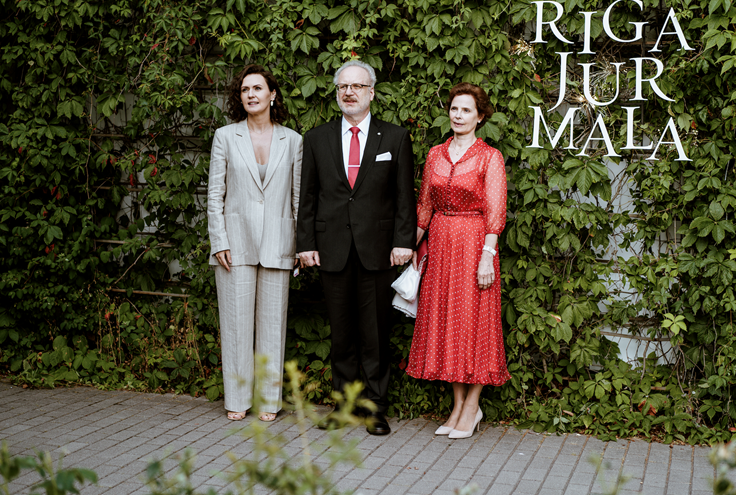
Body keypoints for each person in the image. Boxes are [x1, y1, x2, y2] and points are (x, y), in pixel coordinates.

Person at [296, 60, 416, 435]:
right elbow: (309, 197)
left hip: (378, 251)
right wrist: (305, 244)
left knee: (376, 333)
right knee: (342, 332)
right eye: (343, 87)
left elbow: (403, 198)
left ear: (371, 93)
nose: (349, 92)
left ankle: (376, 408)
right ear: (336, 93)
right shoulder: (316, 139)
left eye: (357, 86)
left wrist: (402, 242)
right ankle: (343, 405)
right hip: (331, 250)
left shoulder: (394, 138)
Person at [406, 82, 510, 439]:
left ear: (480, 117)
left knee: (475, 325)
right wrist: (408, 249)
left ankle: (471, 408)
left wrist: (487, 258)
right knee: (447, 323)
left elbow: (496, 212)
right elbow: (424, 208)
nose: (459, 115)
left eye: (467, 110)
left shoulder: (489, 157)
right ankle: (457, 407)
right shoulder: (435, 154)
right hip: (441, 245)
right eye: (454, 109)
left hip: (474, 246)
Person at [207, 64, 303, 422]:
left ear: (272, 94)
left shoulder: (293, 140)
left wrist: (298, 245)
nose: (250, 94)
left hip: (279, 242)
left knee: (272, 325)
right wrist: (219, 240)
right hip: (235, 243)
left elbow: (296, 200)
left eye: (257, 88)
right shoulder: (225, 136)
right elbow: (215, 193)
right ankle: (237, 397)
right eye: (245, 89)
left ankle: (268, 401)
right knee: (235, 323)